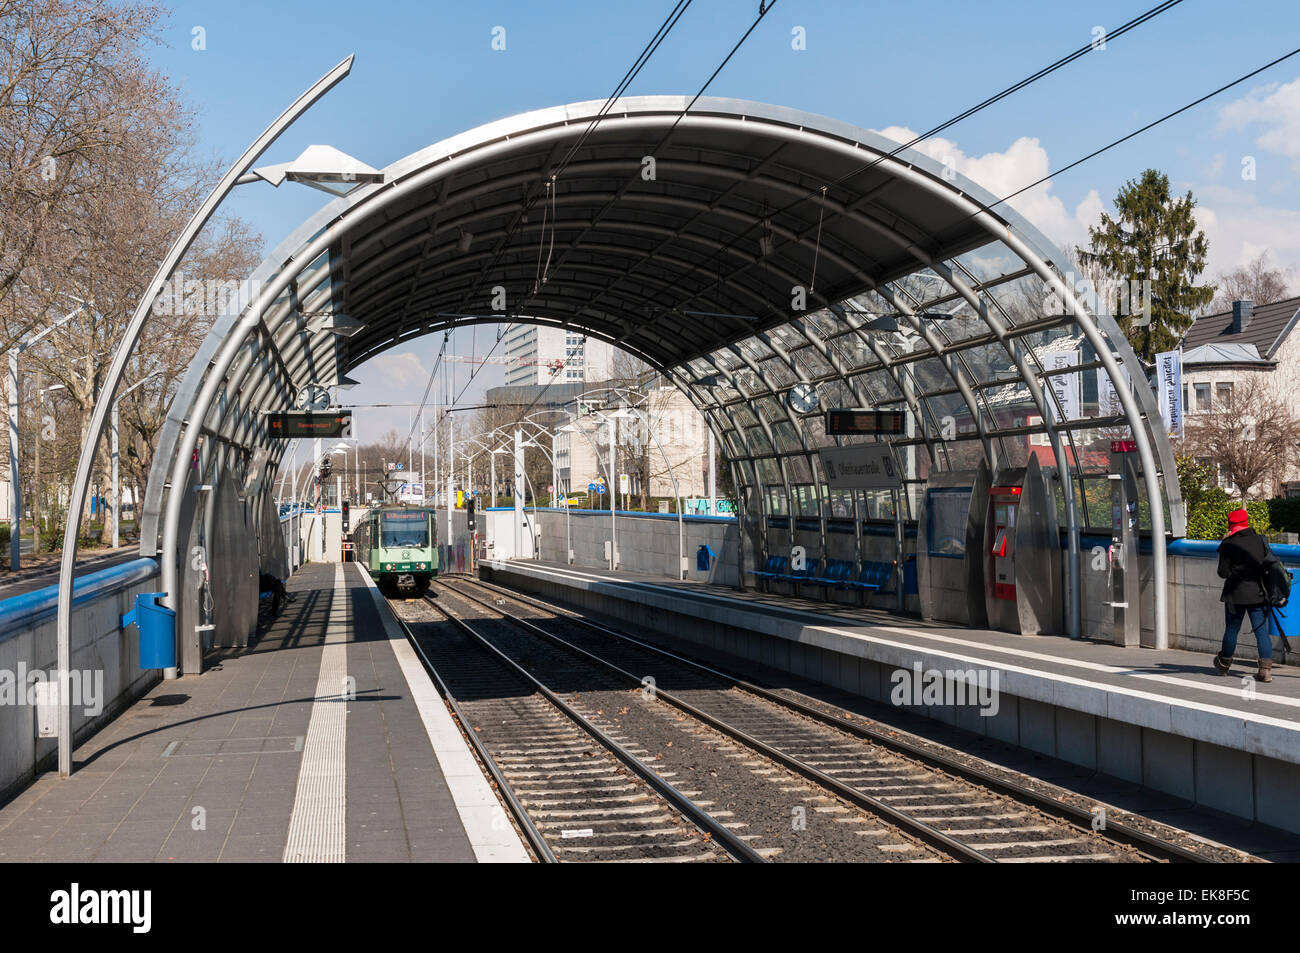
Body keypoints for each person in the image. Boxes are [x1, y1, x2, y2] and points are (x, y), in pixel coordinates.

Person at [1214, 509, 1281, 682]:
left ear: (1231, 524)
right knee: (1261, 632)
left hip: (1235, 594)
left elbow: (1222, 572)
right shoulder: (1260, 540)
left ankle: (1224, 663)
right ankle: (1265, 670)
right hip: (1258, 593)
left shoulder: (1229, 543)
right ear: (1247, 522)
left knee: (1232, 629)